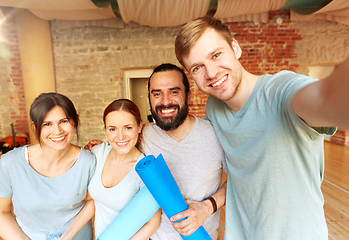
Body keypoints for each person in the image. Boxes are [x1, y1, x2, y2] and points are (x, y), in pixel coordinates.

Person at [174, 16, 349, 239]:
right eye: (198, 67)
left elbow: (325, 99)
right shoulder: (215, 108)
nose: (211, 73)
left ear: (235, 48)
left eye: (216, 55)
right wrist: (206, 207)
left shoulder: (280, 92)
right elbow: (240, 177)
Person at [86, 63, 228, 240]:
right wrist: (103, 147)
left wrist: (207, 207)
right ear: (150, 100)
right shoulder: (145, 135)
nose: (166, 101)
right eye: (157, 94)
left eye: (174, 92)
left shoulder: (216, 135)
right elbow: (122, 140)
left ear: (188, 96)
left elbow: (240, 182)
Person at [0, 92, 96, 240]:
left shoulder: (88, 161)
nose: (57, 131)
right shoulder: (9, 163)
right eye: (47, 124)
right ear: (35, 126)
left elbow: (93, 201)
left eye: (63, 121)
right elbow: (2, 212)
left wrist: (68, 235)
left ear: (75, 121)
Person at [88, 99, 161, 239]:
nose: (120, 136)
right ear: (105, 130)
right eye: (112, 129)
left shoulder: (145, 170)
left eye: (128, 127)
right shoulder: (98, 153)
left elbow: (153, 223)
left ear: (139, 127)